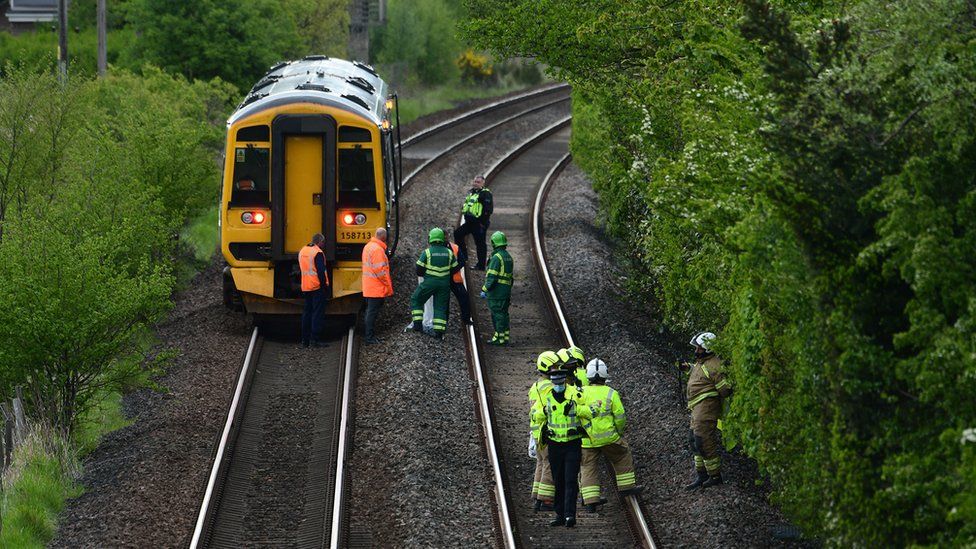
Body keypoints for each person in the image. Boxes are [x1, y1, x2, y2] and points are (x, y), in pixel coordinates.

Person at [578, 358, 643, 512]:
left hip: (587, 439)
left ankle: (590, 502)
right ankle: (626, 487)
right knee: (622, 455)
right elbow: (620, 416)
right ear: (605, 376)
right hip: (609, 438)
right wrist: (618, 433)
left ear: (588, 375)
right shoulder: (611, 393)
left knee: (588, 467)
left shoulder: (581, 392)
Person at [532, 368, 588, 528]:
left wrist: (577, 409)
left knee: (570, 479)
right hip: (555, 445)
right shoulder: (546, 397)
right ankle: (559, 514)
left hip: (572, 443)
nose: (557, 385)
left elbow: (589, 411)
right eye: (554, 382)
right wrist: (542, 412)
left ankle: (570, 515)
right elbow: (535, 414)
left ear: (564, 381)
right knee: (558, 480)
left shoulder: (575, 394)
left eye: (560, 382)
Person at [682, 331, 732, 489]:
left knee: (703, 440)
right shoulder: (703, 362)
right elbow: (699, 374)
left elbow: (725, 389)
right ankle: (702, 476)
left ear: (708, 349)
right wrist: (686, 368)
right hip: (697, 407)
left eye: (699, 348)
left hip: (706, 407)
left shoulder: (714, 365)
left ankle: (715, 476)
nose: (696, 351)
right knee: (693, 439)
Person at [410, 228, 460, 340]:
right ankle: (439, 333)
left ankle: (418, 325)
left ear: (430, 239)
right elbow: (455, 268)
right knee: (440, 307)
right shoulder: (449, 252)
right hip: (444, 285)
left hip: (429, 283)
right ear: (442, 239)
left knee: (416, 299)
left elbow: (419, 270)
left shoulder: (427, 252)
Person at [529, 351, 561, 512]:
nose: (558, 369)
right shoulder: (550, 388)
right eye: (555, 366)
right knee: (550, 462)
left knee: (541, 462)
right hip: (547, 430)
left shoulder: (535, 386)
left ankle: (537, 494)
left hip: (537, 431)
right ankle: (547, 499)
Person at [479, 231, 513, 345]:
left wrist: (484, 289)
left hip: (497, 292)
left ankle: (499, 338)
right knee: (504, 314)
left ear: (494, 243)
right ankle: (504, 337)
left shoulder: (496, 257)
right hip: (505, 291)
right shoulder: (508, 256)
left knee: (497, 314)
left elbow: (492, 277)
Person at [453, 175, 493, 270]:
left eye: (478, 182)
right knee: (457, 234)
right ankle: (463, 257)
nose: (475, 183)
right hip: (470, 222)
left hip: (479, 224)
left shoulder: (485, 194)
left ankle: (481, 265)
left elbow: (488, 210)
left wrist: (482, 223)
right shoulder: (472, 193)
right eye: (475, 182)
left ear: (483, 183)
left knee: (480, 244)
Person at [362, 228, 393, 345]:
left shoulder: (368, 247)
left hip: (370, 286)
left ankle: (370, 336)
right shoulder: (378, 250)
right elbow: (380, 271)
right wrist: (387, 284)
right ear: (384, 237)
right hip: (376, 287)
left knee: (370, 311)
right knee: (372, 312)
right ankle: (369, 338)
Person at [299, 233, 329, 347]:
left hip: (306, 286)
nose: (324, 245)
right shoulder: (318, 252)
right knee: (317, 313)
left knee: (307, 313)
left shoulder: (303, 251)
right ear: (320, 242)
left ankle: (305, 340)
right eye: (323, 242)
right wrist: (324, 286)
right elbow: (321, 271)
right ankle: (315, 339)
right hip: (317, 287)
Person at [448, 236, 473, 325]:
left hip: (454, 278)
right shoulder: (436, 249)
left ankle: (466, 319)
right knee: (443, 300)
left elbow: (462, 261)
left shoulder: (455, 247)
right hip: (444, 278)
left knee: (464, 298)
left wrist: (454, 270)